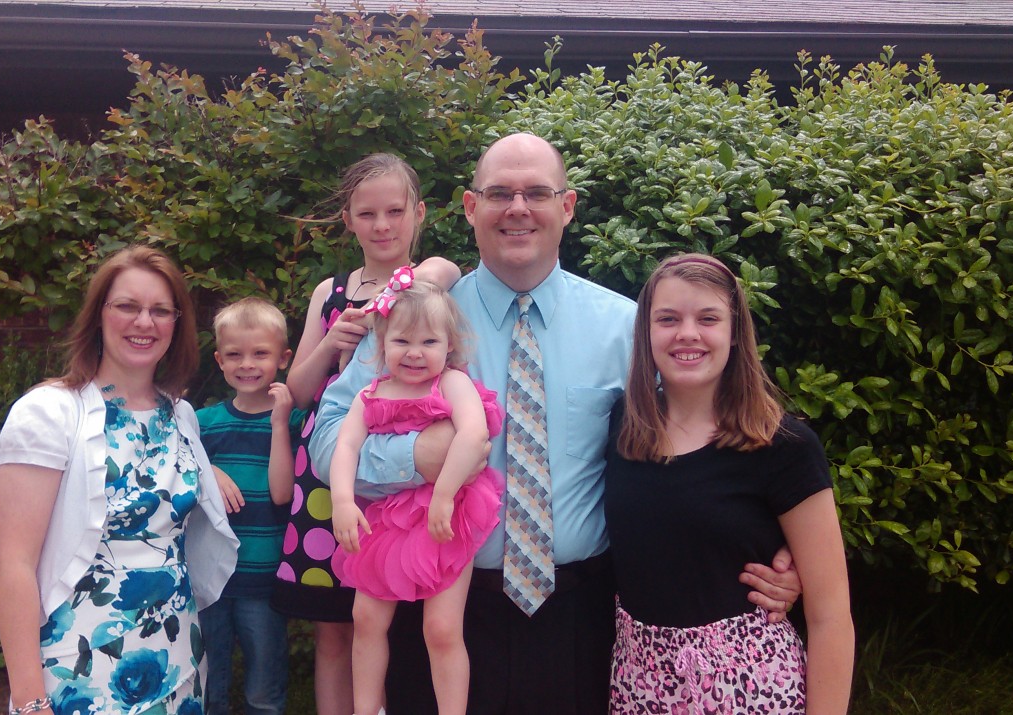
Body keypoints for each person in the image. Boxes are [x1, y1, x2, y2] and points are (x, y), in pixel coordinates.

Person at [309, 132, 803, 714]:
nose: (518, 208)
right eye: (499, 193)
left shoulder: (628, 329)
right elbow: (327, 436)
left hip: (583, 615)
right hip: (438, 603)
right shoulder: (415, 322)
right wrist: (417, 456)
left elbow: (700, 452)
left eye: (537, 193)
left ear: (566, 208)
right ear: (471, 208)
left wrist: (772, 550)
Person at [0, 245, 241, 715]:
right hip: (78, 664)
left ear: (177, 323)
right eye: (127, 306)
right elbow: (15, 564)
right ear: (98, 315)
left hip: (178, 659)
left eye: (159, 310)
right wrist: (29, 700)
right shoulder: (47, 413)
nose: (143, 322)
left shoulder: (181, 416)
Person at [603, 253, 854, 713]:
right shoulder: (623, 427)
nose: (687, 334)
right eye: (668, 319)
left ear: (735, 332)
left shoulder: (783, 447)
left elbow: (831, 614)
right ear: (646, 333)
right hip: (640, 686)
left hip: (751, 687)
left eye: (708, 318)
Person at [275, 152, 460, 715]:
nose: (383, 225)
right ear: (349, 221)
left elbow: (441, 272)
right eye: (367, 213)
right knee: (337, 628)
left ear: (418, 214)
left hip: (408, 483)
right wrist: (335, 344)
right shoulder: (330, 293)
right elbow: (299, 391)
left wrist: (396, 296)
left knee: (405, 621)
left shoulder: (431, 277)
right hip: (330, 480)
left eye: (395, 211)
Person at [330, 277, 502, 715]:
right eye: (401, 340)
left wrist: (444, 493)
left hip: (448, 512)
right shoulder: (370, 393)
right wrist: (343, 502)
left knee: (442, 627)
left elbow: (474, 433)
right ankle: (366, 710)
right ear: (382, 343)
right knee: (367, 618)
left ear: (449, 346)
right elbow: (345, 446)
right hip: (391, 514)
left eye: (429, 341)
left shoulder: (451, 383)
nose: (414, 351)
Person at [196, 297, 309, 715]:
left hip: (264, 575)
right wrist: (208, 469)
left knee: (264, 687)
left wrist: (280, 422)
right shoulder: (203, 423)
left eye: (260, 353)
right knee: (210, 681)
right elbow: (177, 464)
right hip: (210, 578)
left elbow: (282, 494)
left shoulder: (293, 421)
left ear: (283, 359)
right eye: (234, 354)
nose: (247, 364)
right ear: (219, 361)